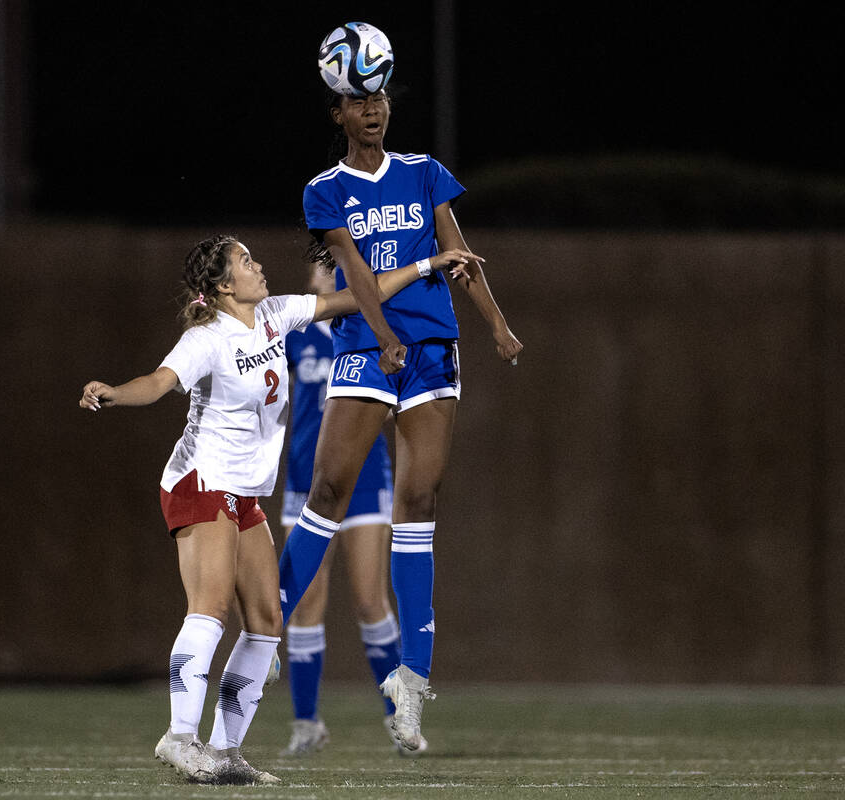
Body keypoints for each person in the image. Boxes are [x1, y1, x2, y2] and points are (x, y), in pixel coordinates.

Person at [78, 234, 474, 785]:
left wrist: (427, 263)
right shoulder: (206, 338)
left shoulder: (274, 314)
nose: (257, 265)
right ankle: (179, 735)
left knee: (265, 624)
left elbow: (359, 293)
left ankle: (225, 749)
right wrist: (115, 392)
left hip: (246, 494)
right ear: (222, 286)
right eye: (245, 261)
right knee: (211, 608)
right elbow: (160, 381)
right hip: (201, 482)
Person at [277, 87, 524, 754]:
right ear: (338, 114)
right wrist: (383, 335)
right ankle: (264, 628)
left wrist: (498, 328)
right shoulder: (325, 190)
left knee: (420, 502)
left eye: (380, 96)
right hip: (366, 346)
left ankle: (410, 691)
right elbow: (353, 274)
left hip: (432, 350)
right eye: (359, 101)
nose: (374, 109)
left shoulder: (422, 171)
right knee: (327, 487)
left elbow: (461, 257)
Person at [279, 262, 415, 757]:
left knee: (370, 602)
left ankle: (401, 719)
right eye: (323, 265)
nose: (330, 271)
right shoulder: (294, 334)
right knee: (304, 606)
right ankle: (306, 723)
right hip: (307, 481)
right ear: (313, 279)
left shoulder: (366, 323)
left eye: (338, 266)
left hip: (363, 479)